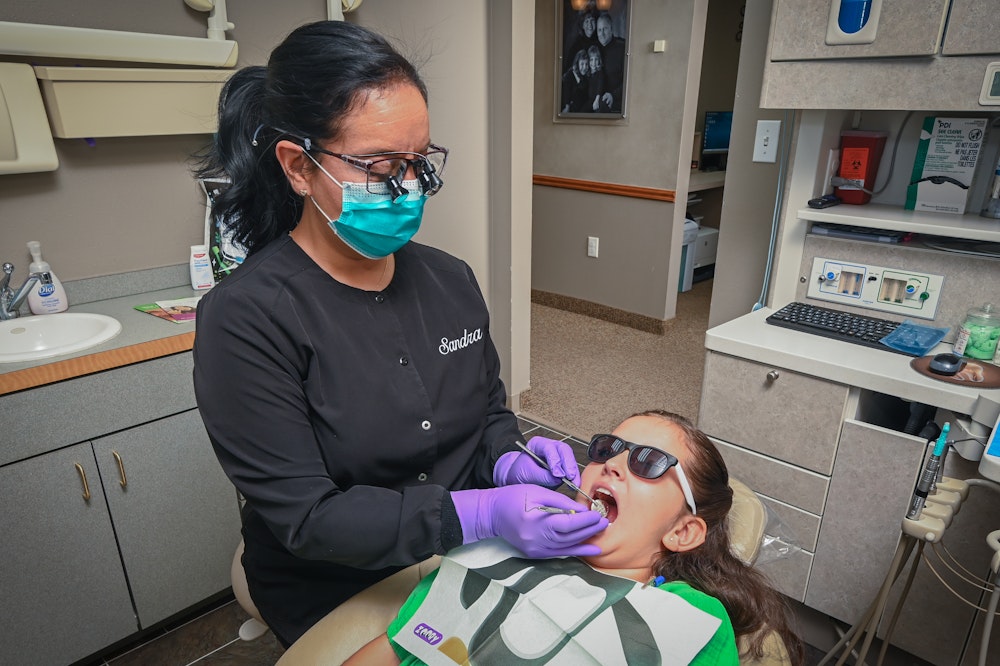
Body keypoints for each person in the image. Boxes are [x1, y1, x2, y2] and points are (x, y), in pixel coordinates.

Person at [191, 20, 608, 648]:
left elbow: (486, 416)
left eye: (418, 163)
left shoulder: (450, 279)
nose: (407, 186)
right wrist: (478, 512)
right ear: (298, 167)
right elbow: (309, 518)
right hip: (333, 576)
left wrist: (511, 458)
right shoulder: (246, 318)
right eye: (381, 165)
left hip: (462, 551)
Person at [346, 410, 805, 665]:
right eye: (607, 449)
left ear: (683, 532)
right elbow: (389, 649)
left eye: (648, 462)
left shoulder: (692, 620)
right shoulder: (495, 554)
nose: (613, 464)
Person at [596, 11, 627, 113]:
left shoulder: (622, 48)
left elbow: (629, 79)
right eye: (599, 30)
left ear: (611, 29)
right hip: (597, 102)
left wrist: (613, 95)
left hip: (617, 103)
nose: (602, 33)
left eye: (605, 29)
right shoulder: (595, 50)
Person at [560, 48, 590, 114]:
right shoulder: (569, 76)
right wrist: (567, 106)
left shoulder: (585, 77)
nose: (585, 67)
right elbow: (566, 93)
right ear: (577, 64)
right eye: (582, 64)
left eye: (586, 64)